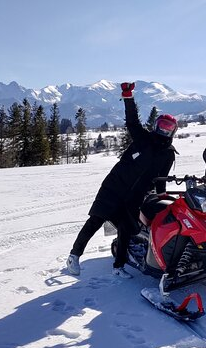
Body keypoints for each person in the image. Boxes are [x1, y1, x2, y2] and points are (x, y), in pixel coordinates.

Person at [66, 82, 177, 277]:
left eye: (168, 129)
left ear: (173, 132)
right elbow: (132, 121)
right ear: (156, 126)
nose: (164, 131)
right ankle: (74, 255)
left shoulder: (168, 154)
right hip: (114, 187)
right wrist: (128, 97)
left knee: (126, 230)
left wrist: (162, 197)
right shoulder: (143, 139)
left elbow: (162, 178)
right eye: (162, 126)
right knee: (96, 220)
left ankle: (119, 267)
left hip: (134, 197)